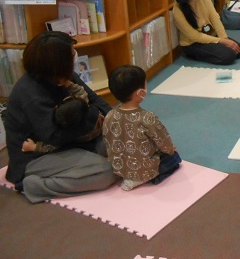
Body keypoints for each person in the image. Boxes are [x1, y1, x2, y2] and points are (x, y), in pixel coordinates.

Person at [3, 31, 116, 203]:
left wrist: (116, 121)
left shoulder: (64, 76)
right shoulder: (31, 95)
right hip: (37, 154)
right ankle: (34, 186)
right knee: (106, 172)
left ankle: (87, 160)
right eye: (71, 54)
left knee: (124, 145)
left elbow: (95, 99)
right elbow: (54, 136)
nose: (75, 57)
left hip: (74, 141)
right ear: (58, 63)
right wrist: (93, 117)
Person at [103, 65, 182, 191]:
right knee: (174, 158)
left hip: (119, 166)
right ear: (140, 93)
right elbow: (164, 141)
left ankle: (129, 175)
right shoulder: (147, 118)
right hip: (143, 168)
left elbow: (109, 140)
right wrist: (171, 150)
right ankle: (142, 178)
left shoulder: (109, 115)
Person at [172, 0, 240, 65]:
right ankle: (196, 55)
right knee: (229, 56)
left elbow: (214, 16)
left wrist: (224, 38)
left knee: (239, 50)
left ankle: (215, 49)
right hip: (194, 43)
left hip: (210, 34)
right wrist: (223, 42)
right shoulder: (177, 12)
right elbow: (196, 36)